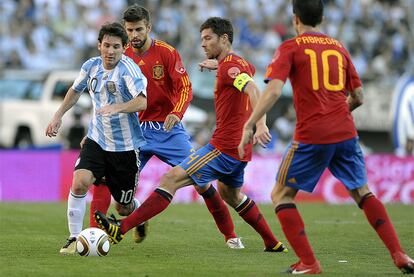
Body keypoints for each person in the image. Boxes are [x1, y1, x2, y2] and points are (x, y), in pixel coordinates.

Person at [238, 0, 414, 274]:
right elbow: (358, 97)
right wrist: (337, 113)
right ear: (320, 18)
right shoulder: (338, 47)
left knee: (281, 195)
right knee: (362, 192)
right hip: (345, 133)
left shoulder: (290, 47)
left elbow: (272, 91)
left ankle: (309, 262)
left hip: (312, 134)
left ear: (295, 19)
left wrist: (249, 124)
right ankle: (399, 254)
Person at [94, 16, 288, 254]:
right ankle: (272, 242)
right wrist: (220, 65)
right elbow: (248, 74)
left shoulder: (225, 65)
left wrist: (259, 125)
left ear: (224, 39)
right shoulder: (236, 63)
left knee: (171, 180)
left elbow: (253, 89)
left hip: (221, 147)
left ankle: (120, 229)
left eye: (207, 39)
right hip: (237, 149)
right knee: (232, 195)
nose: (203, 44)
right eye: (201, 39)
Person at [89, 4, 242, 249]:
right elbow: (108, 97)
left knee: (201, 182)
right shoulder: (122, 55)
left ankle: (230, 235)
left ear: (148, 27)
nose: (134, 35)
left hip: (167, 129)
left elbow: (185, 87)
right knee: (121, 202)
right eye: (130, 30)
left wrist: (176, 113)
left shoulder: (167, 53)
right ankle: (129, 219)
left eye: (139, 29)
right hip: (135, 131)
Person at [45, 22, 148, 255]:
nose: (110, 51)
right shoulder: (90, 66)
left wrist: (118, 107)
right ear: (99, 45)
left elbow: (142, 102)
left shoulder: (129, 70)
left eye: (116, 47)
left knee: (123, 208)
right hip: (97, 140)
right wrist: (58, 115)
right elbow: (75, 90)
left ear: (124, 48)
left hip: (125, 148)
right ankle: (73, 237)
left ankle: (139, 214)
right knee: (80, 181)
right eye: (107, 45)